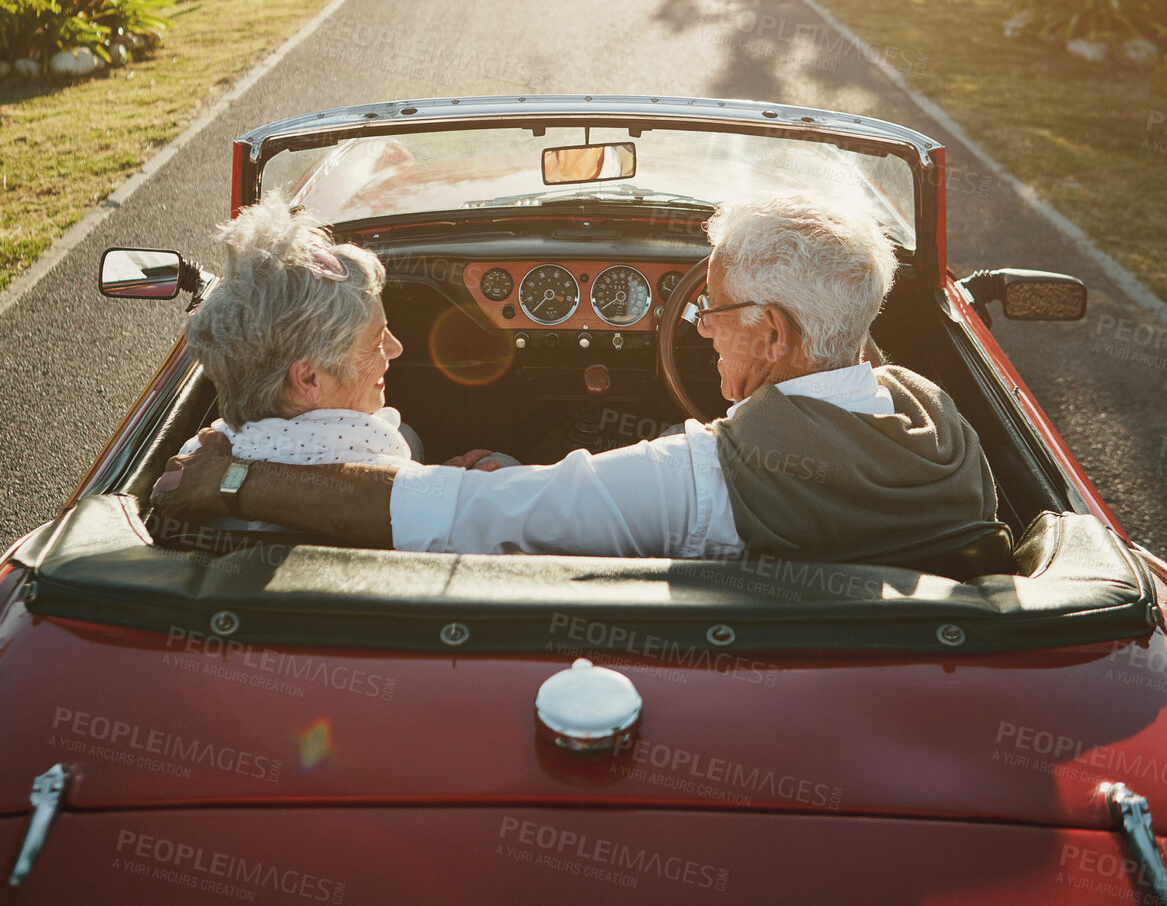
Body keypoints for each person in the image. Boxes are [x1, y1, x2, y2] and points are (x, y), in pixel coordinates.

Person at [153, 190, 1000, 563]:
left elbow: (468, 519)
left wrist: (233, 478)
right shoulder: (943, 432)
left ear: (770, 333)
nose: (699, 330)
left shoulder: (702, 484)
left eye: (709, 308)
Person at [175, 196, 422, 505]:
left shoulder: (191, 461)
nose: (395, 349)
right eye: (375, 343)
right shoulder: (392, 486)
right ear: (308, 379)